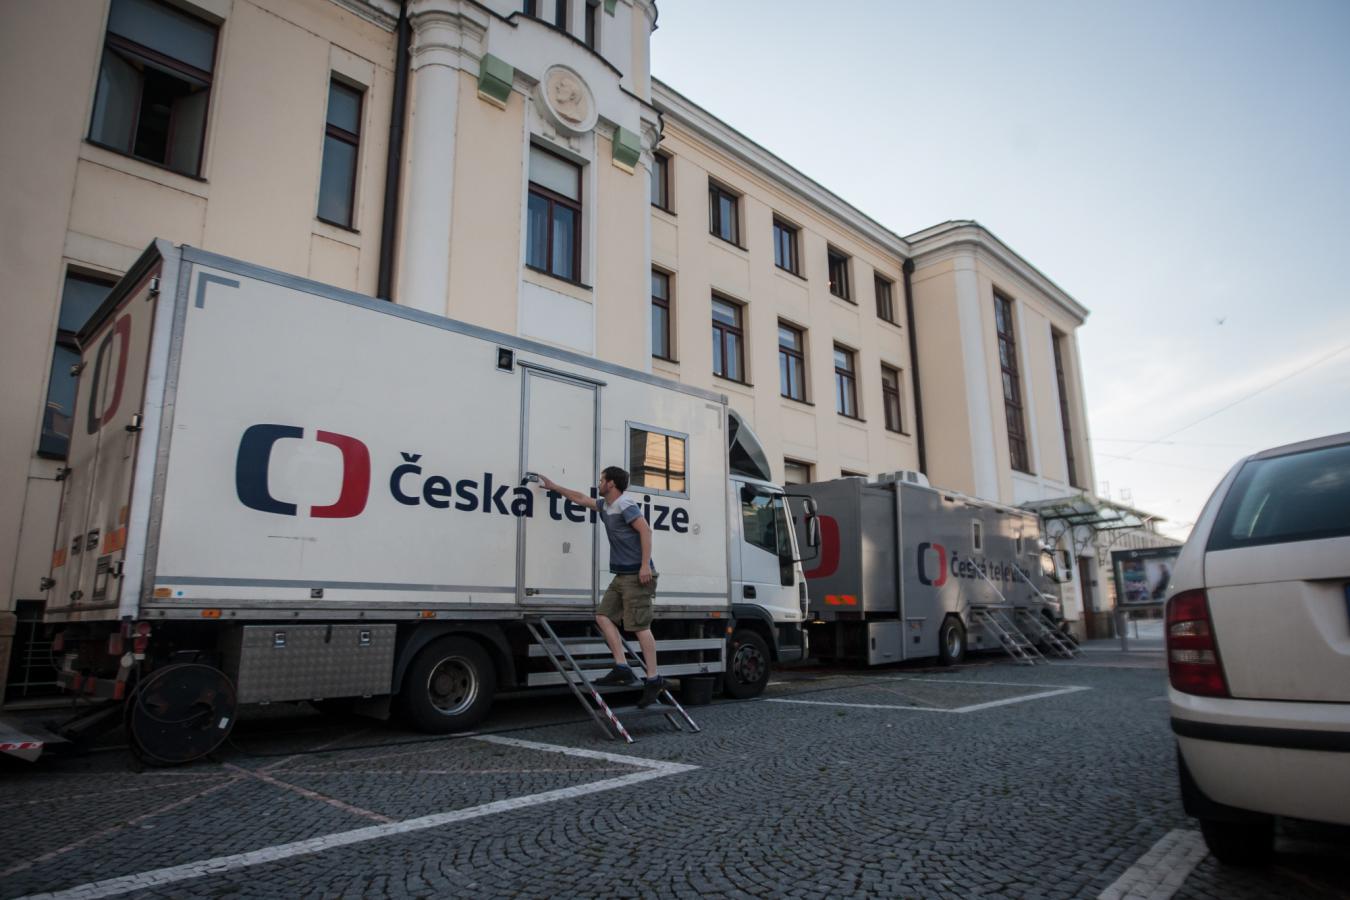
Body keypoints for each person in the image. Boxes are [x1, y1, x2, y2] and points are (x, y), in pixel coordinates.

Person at [537, 467, 665, 707]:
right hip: (622, 575)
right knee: (603, 616)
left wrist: (644, 565)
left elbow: (646, 530)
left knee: (639, 626)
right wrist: (554, 487)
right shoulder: (607, 505)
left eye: (602, 480)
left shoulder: (625, 504)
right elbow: (581, 498)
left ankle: (653, 678)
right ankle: (622, 667)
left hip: (637, 576)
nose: (599, 483)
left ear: (612, 484)